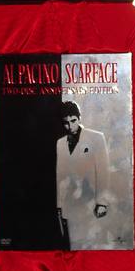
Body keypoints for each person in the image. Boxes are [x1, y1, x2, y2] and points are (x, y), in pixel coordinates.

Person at [56, 101, 111, 250]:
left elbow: (103, 171)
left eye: (73, 121)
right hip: (69, 205)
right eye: (66, 123)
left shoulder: (96, 138)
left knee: (90, 246)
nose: (70, 126)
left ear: (79, 118)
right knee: (70, 247)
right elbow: (60, 175)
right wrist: (59, 205)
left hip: (90, 203)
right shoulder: (60, 143)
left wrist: (102, 202)